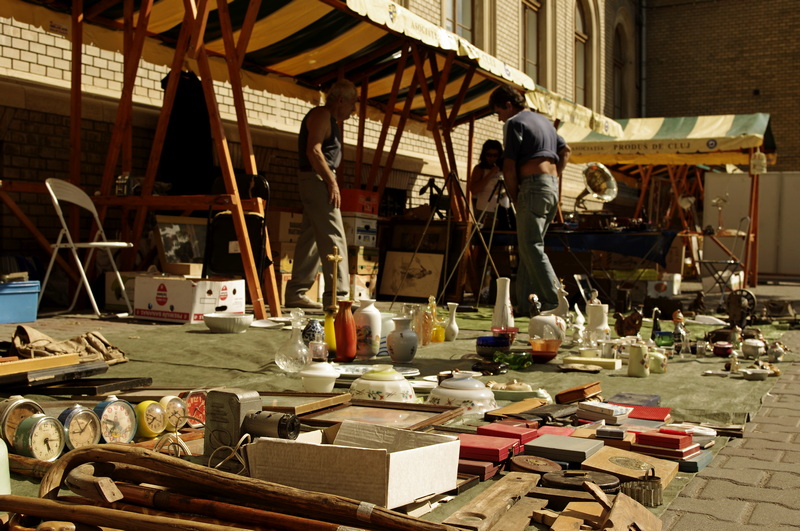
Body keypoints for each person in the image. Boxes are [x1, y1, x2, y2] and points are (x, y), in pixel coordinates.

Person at [489, 84, 571, 315]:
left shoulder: (514, 123)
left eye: (499, 112)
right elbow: (566, 151)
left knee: (531, 246)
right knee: (528, 246)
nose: (499, 119)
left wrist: (516, 197)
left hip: (533, 188)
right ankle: (525, 305)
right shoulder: (544, 122)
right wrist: (553, 177)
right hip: (550, 188)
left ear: (508, 105)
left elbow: (509, 167)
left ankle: (556, 302)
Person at [284, 79, 357, 309]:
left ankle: (296, 292)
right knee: (334, 237)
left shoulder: (326, 118)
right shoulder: (322, 114)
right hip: (318, 179)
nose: (354, 110)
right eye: (352, 103)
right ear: (341, 100)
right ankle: (338, 297)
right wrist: (331, 182)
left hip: (316, 179)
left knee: (312, 239)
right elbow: (314, 150)